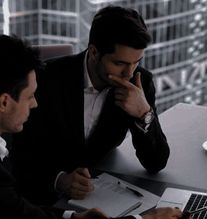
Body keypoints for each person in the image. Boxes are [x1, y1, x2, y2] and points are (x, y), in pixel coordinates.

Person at [0, 35, 190, 219]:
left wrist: (72, 217)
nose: (35, 103)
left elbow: (18, 216)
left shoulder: (137, 84)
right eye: (30, 96)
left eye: (136, 62)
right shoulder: (49, 78)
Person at [11, 6, 170, 205]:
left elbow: (156, 163)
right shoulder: (45, 80)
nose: (129, 73)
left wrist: (144, 113)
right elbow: (19, 153)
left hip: (103, 195)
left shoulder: (140, 83)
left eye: (136, 62)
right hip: (42, 199)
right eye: (119, 63)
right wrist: (59, 179)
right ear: (94, 52)